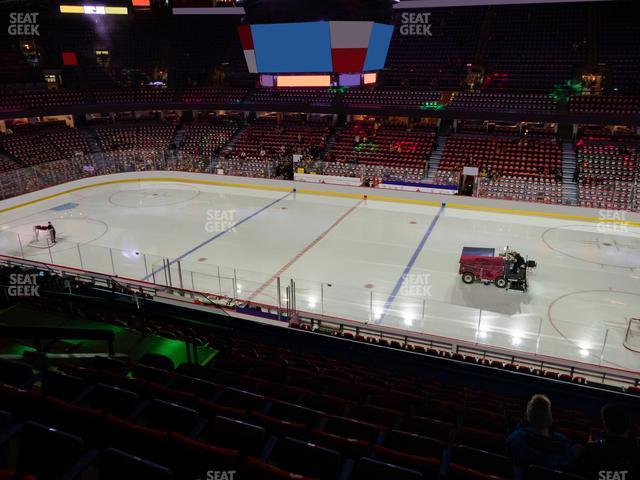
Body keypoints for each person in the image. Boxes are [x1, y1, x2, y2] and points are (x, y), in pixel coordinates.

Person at [507, 394, 577, 470]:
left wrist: (523, 423)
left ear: (527, 418)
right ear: (550, 420)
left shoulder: (515, 438)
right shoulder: (563, 444)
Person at [575, 404, 639, 480]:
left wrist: (587, 448)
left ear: (604, 423)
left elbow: (577, 470)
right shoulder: (636, 450)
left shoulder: (593, 448)